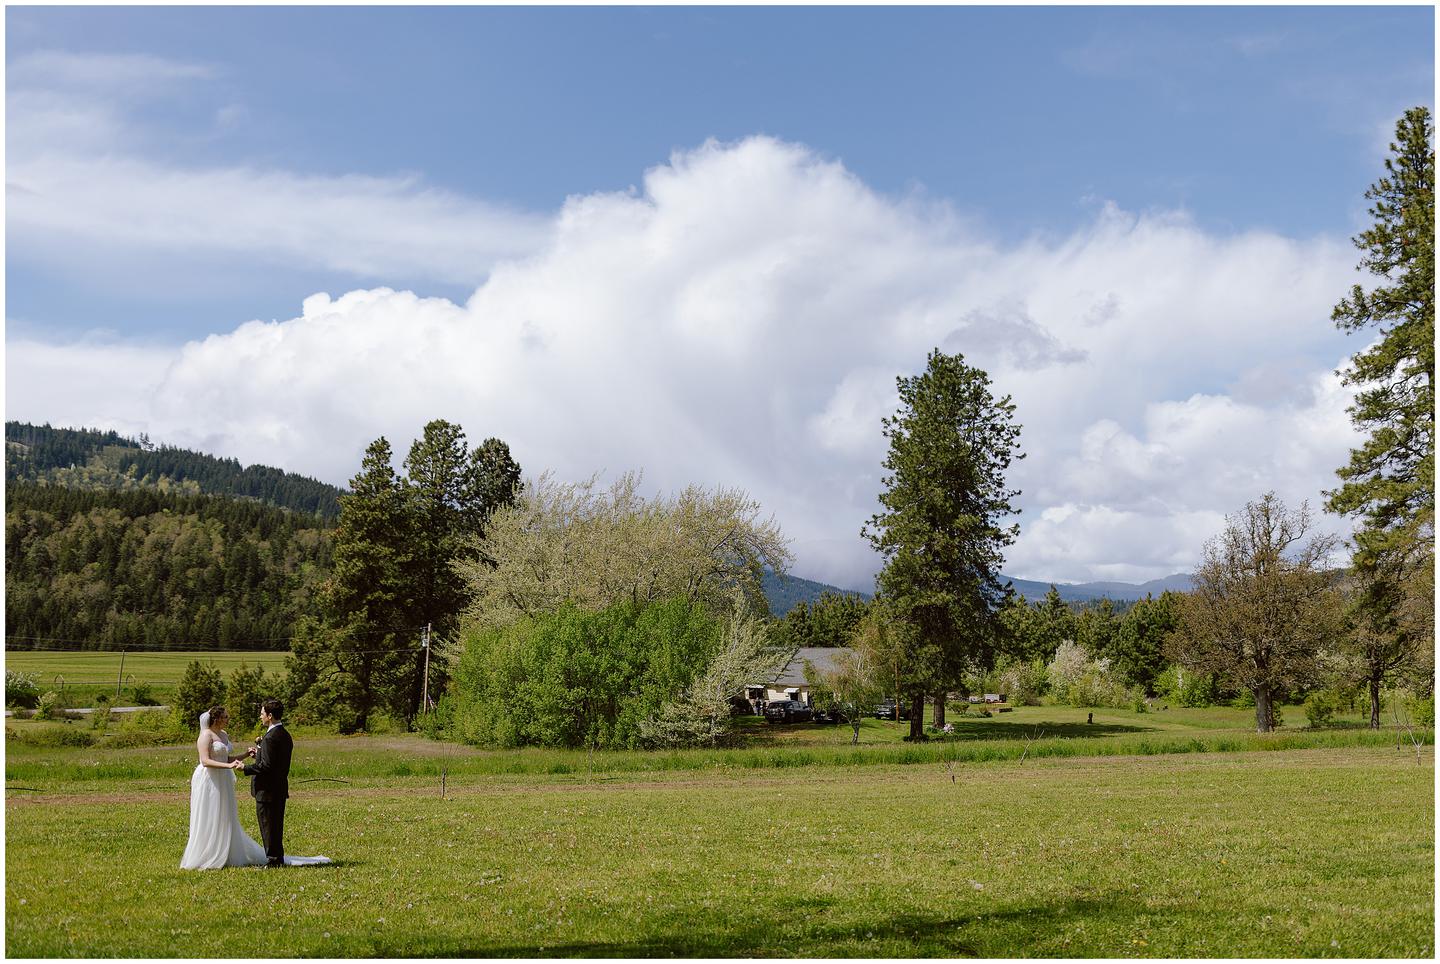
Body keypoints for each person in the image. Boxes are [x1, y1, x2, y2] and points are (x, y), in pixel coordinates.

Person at [179, 701, 330, 870]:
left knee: (229, 814)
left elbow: (259, 763)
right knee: (211, 813)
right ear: (216, 719)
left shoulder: (228, 735)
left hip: (233, 781)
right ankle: (208, 852)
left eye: (262, 713)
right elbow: (206, 761)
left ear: (269, 715)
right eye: (225, 717)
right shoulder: (205, 735)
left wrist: (244, 763)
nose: (228, 719)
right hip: (209, 780)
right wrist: (240, 760)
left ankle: (259, 856)